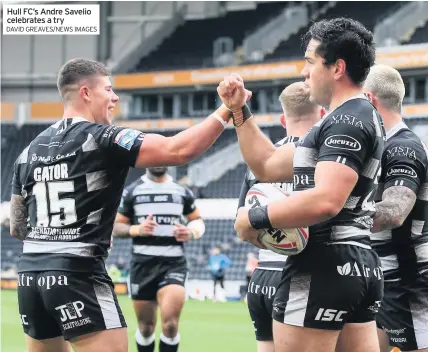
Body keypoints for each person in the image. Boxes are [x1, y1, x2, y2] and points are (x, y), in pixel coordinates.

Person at [9, 58, 240, 352]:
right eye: (108, 89)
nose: (115, 97)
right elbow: (178, 150)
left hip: (30, 277)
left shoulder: (29, 151)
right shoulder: (103, 137)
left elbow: (18, 227)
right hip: (78, 271)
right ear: (86, 93)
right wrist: (226, 111)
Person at [218, 17, 386, 352]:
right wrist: (238, 110)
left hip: (322, 265)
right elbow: (266, 164)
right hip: (356, 263)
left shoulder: (345, 121)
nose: (303, 71)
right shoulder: (346, 119)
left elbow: (326, 200)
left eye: (310, 62)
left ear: (336, 68)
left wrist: (254, 217)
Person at [338, 65, 428, 352]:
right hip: (380, 280)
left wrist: (334, 215)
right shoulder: (380, 146)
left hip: (407, 283)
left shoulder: (403, 147)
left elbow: (394, 211)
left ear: (369, 99)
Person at [240, 82, 324, 352]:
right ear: (323, 115)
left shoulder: (262, 162)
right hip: (304, 276)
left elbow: (243, 224)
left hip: (263, 275)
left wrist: (273, 241)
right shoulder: (326, 158)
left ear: (282, 118)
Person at [112, 166, 205, 352]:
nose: (159, 161)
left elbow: (197, 220)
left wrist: (192, 232)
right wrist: (136, 229)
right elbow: (115, 226)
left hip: (173, 264)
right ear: (147, 161)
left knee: (170, 324)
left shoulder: (181, 191)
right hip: (142, 265)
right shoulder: (133, 191)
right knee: (146, 328)